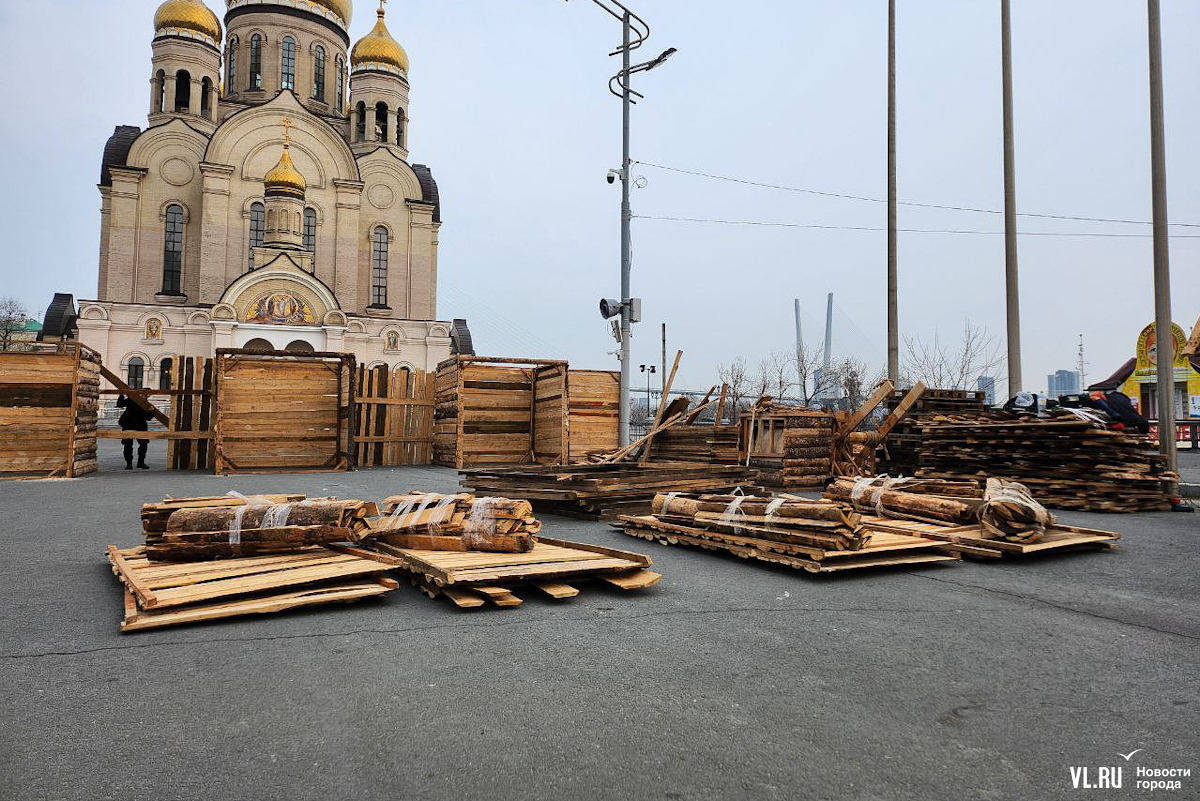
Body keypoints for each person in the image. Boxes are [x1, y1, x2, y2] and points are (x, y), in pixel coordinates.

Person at [116, 394, 154, 470]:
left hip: (140, 426)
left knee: (143, 445)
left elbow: (148, 418)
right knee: (128, 446)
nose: (145, 396)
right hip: (128, 425)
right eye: (145, 395)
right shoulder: (132, 399)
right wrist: (121, 395)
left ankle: (140, 463)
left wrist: (151, 412)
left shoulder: (146, 404)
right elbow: (120, 404)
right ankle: (129, 464)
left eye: (147, 395)